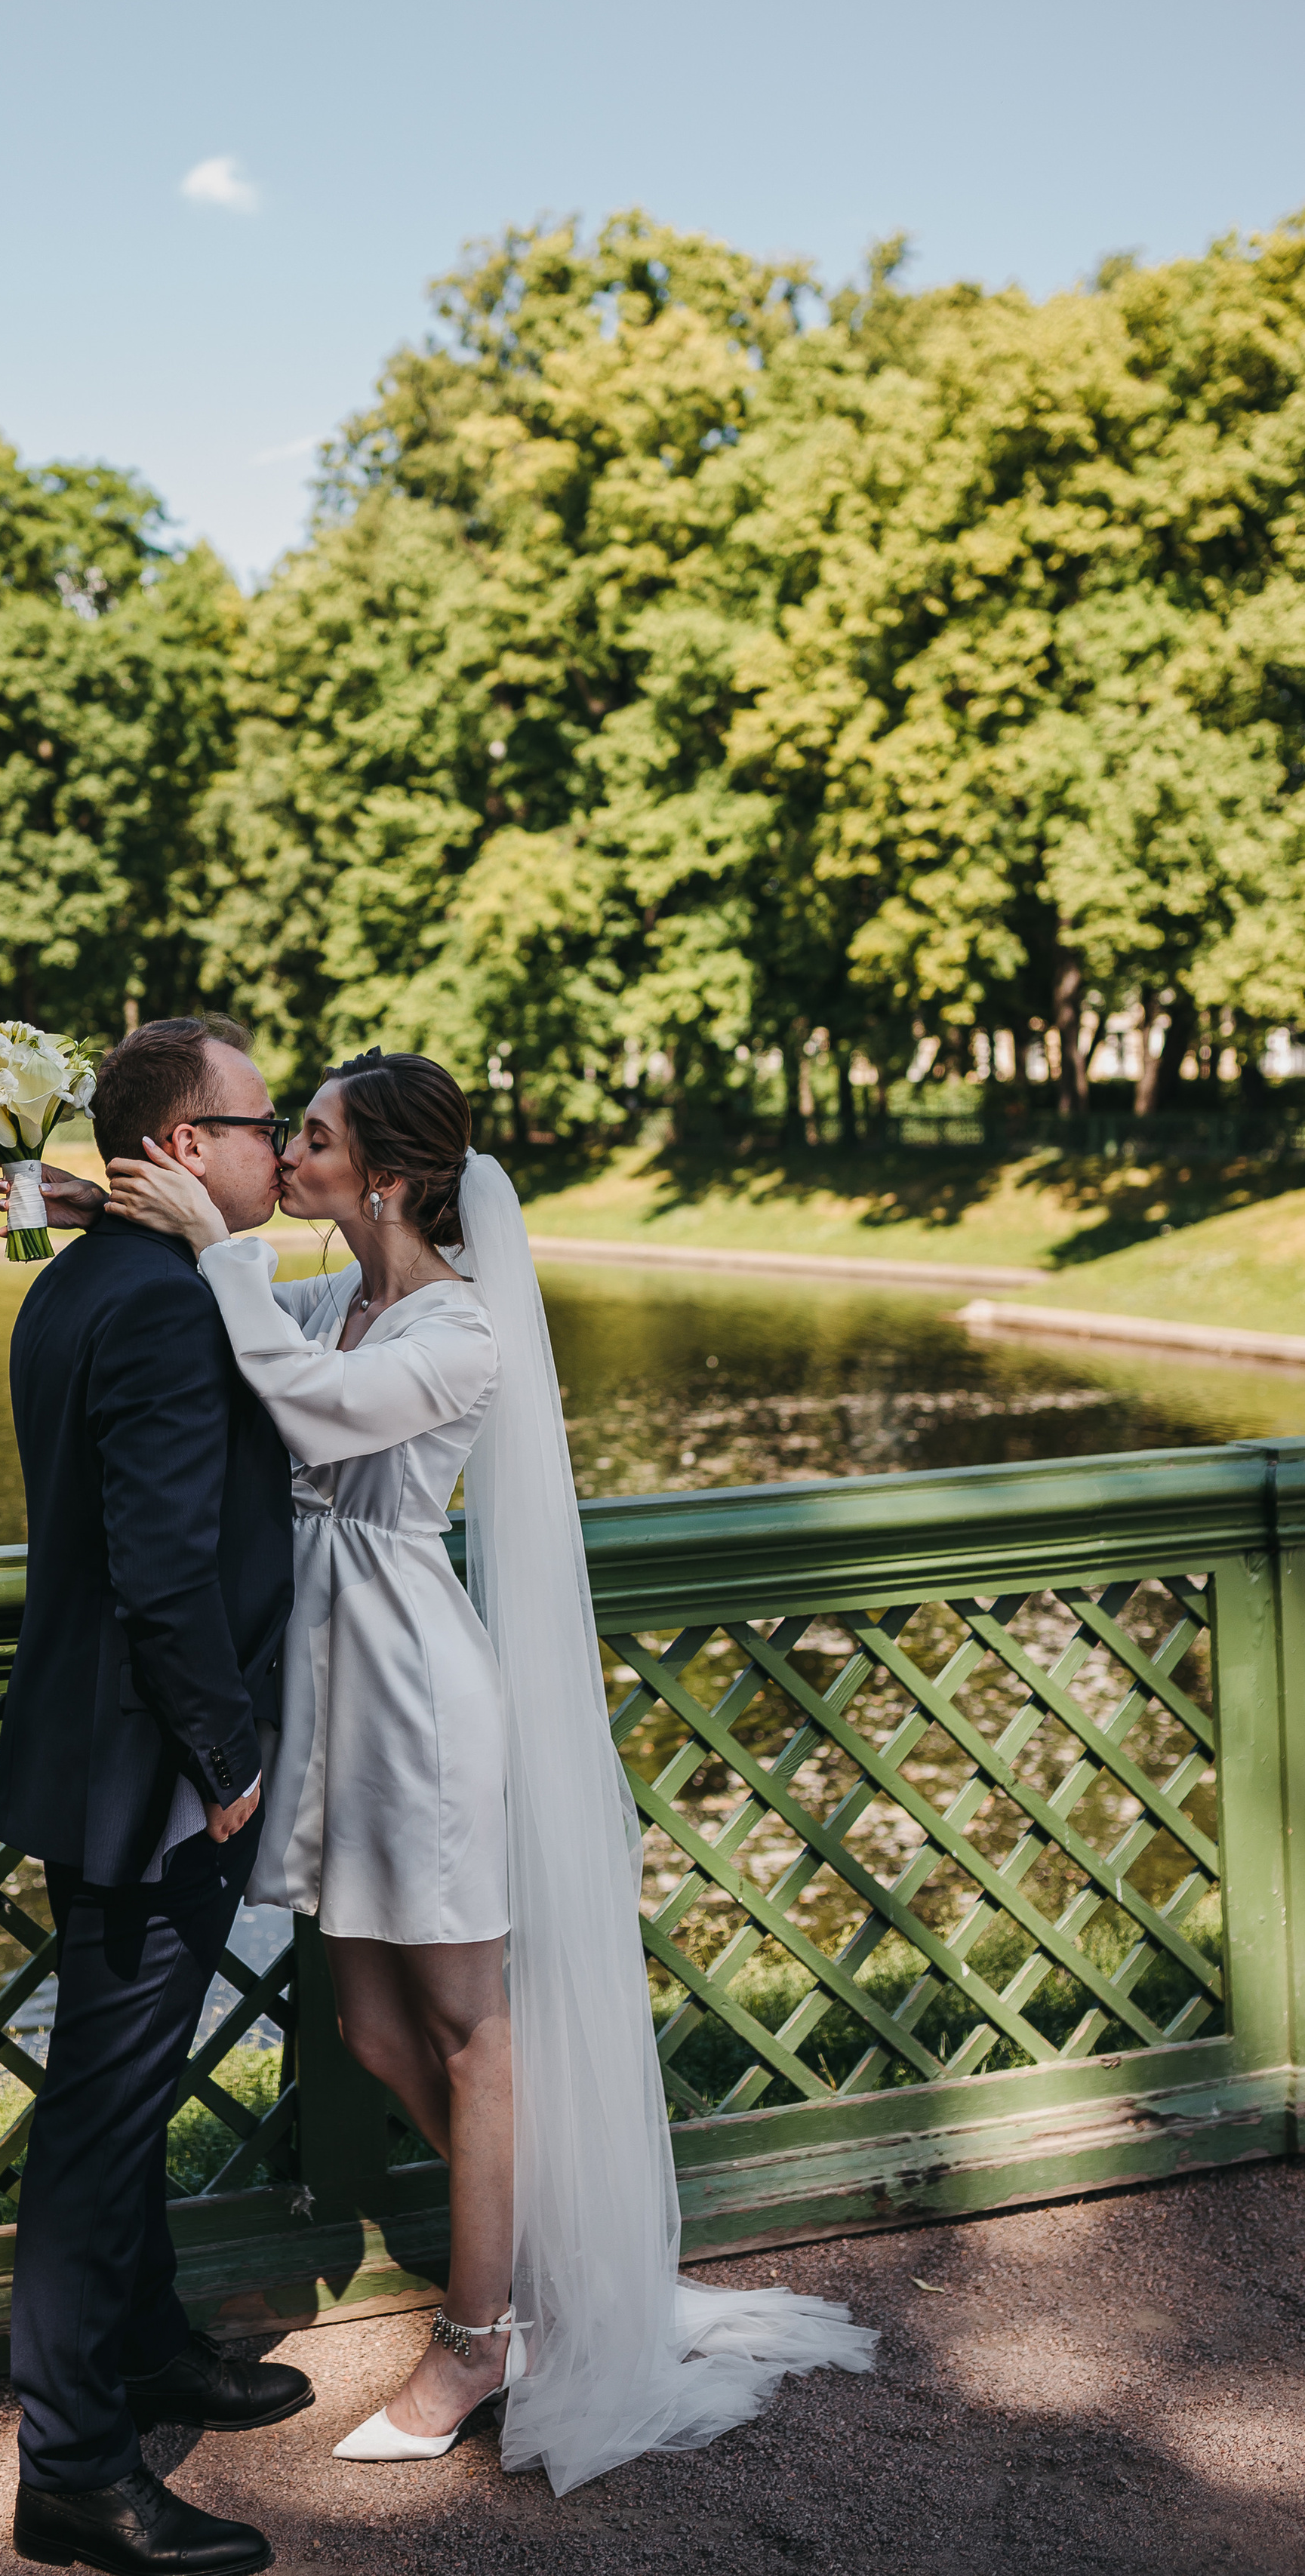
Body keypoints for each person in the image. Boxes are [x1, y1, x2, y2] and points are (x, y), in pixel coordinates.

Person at [103, 1048, 879, 2495]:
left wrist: (221, 1253)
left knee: (470, 2032)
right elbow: (246, 1346)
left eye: (311, 1135)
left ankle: (481, 2335)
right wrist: (112, 1205)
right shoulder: (345, 1297)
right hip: (327, 1697)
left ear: (382, 1175)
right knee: (379, 2037)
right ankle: (553, 2253)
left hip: (418, 1704)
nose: (284, 1148)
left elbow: (307, 1410)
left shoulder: (462, 1330)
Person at [0, 1014, 312, 2576]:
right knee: (102, 2114)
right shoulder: (167, 1309)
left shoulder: (75, 1283)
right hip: (148, 1775)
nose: (273, 1147)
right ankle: (69, 2464)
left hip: (90, 1749)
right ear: (184, 1145)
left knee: (129, 2081)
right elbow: (164, 1566)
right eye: (258, 1123)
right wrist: (228, 1758)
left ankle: (152, 2342)